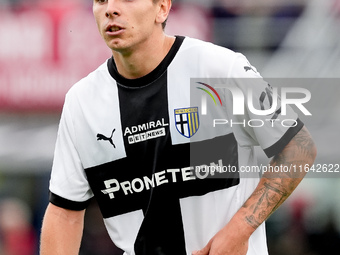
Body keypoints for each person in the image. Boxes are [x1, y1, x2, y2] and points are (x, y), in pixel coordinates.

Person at [40, 0, 317, 255]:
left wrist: (239, 230)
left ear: (162, 8)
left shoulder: (219, 69)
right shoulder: (81, 102)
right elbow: (65, 211)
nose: (111, 8)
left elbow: (299, 148)